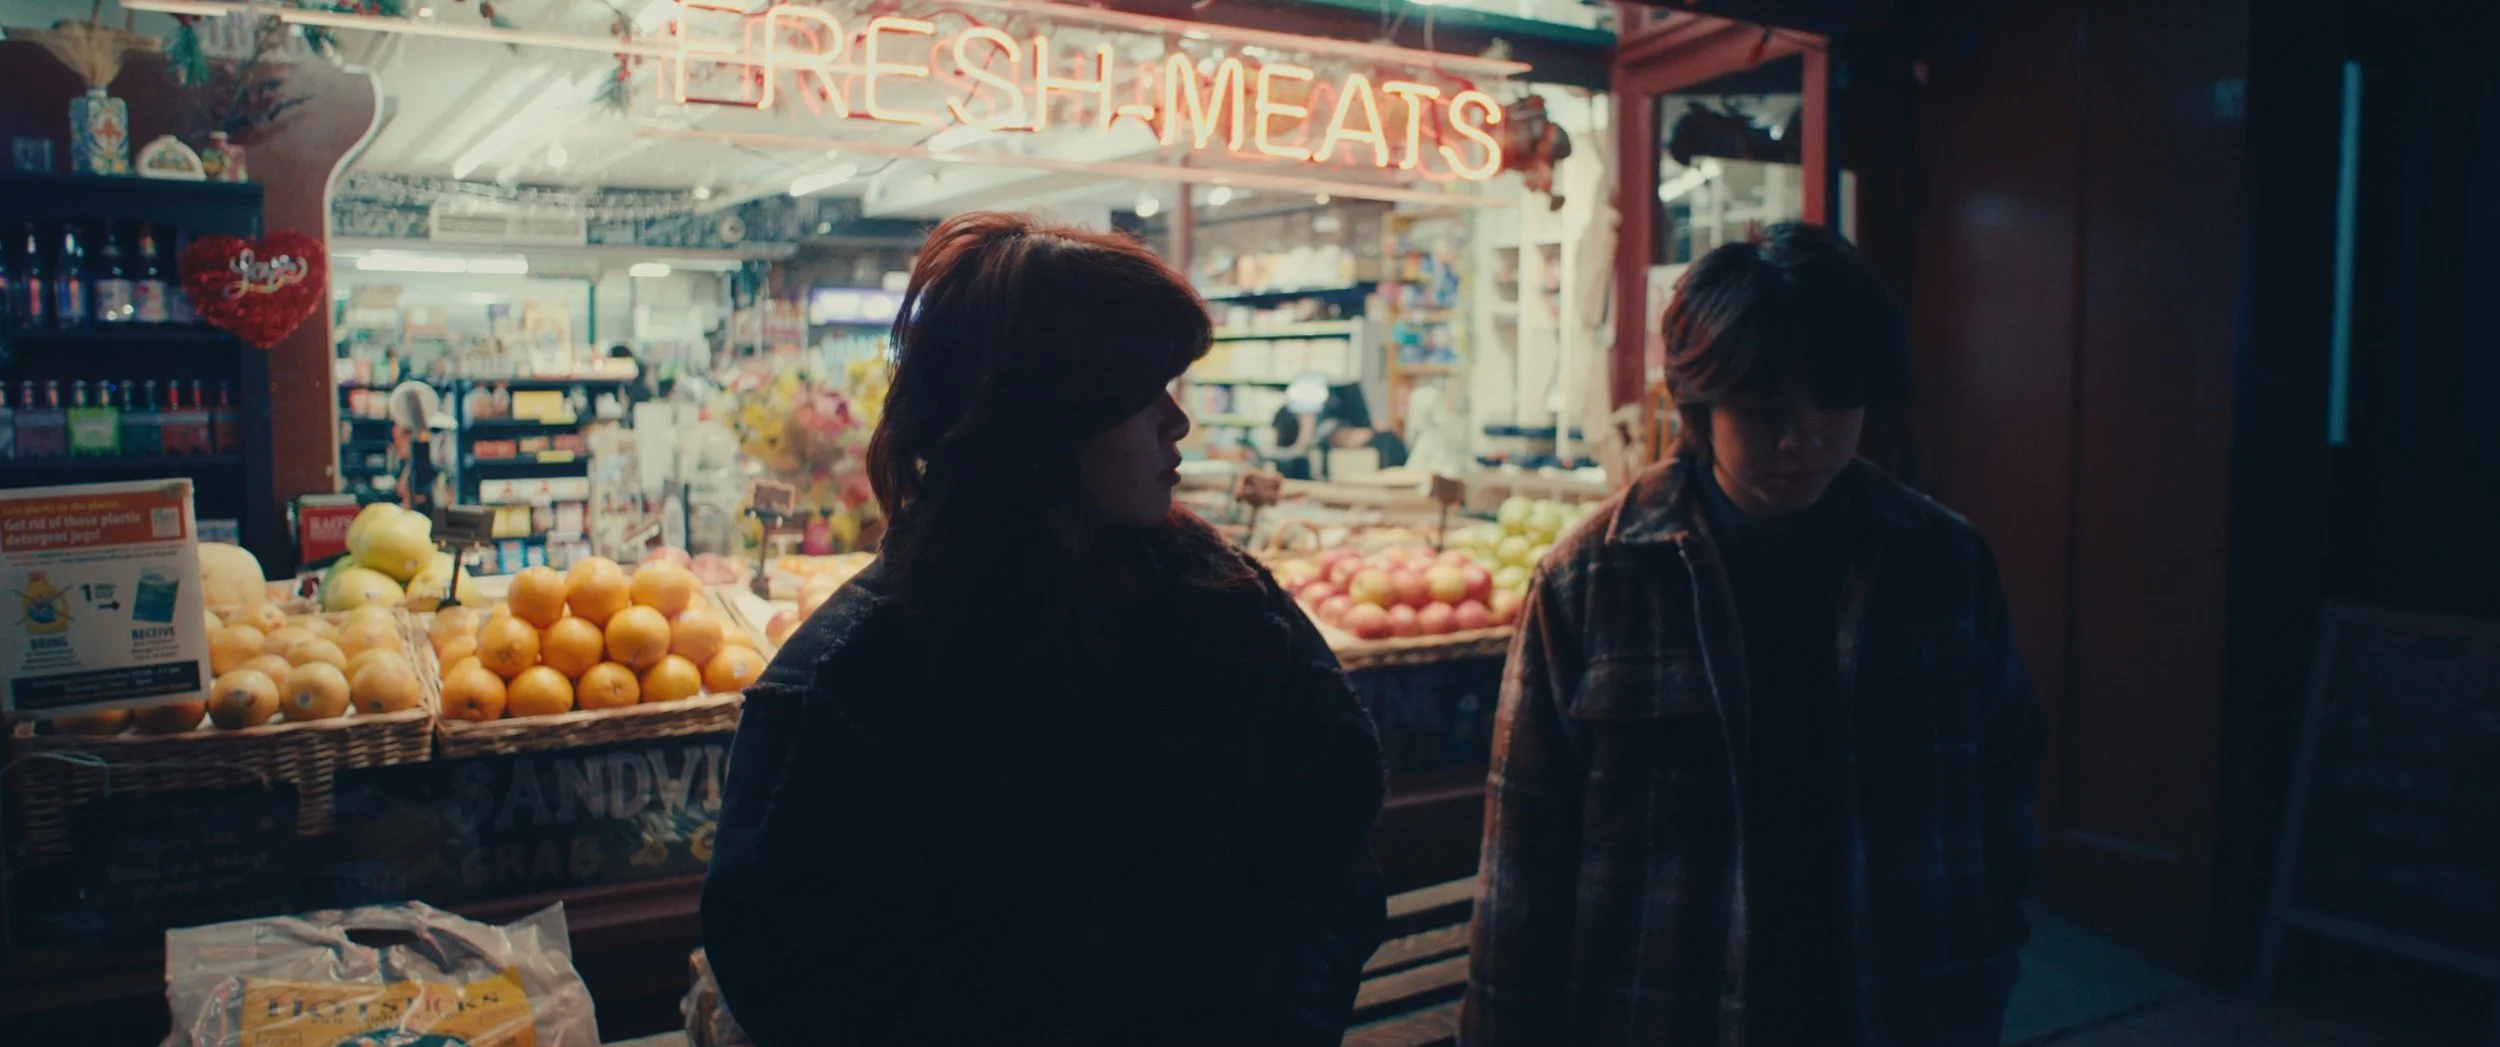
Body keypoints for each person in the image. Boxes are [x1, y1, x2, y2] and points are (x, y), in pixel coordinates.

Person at [702, 212, 1388, 1046]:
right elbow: (786, 971)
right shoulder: (851, 678)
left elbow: (1337, 834)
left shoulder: (1224, 602)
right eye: (1144, 391)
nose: (1177, 423)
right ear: (1048, 411)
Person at [1463, 224, 2045, 1046]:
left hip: (1900, 998)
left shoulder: (1942, 561)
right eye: (1765, 406)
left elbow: (2004, 777)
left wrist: (1988, 956)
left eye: (1832, 400)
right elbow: (1522, 853)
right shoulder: (1591, 582)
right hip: (1657, 1004)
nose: (1799, 437)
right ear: (1697, 402)